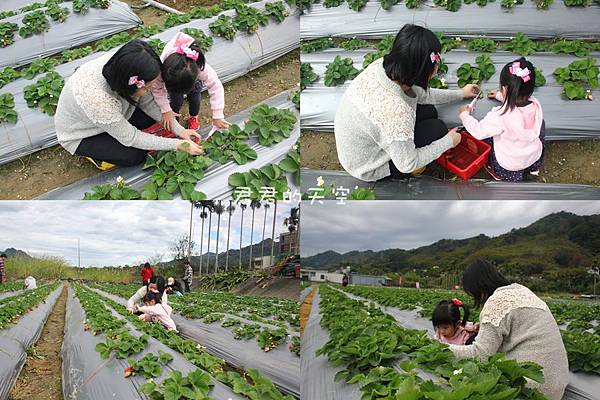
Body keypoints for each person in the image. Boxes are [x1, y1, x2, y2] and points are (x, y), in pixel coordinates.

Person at [334, 24, 479, 181]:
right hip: (368, 165)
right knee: (437, 129)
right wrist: (449, 142)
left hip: (361, 144)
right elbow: (407, 163)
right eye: (435, 64)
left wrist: (461, 93)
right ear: (420, 71)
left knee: (429, 111)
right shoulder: (396, 111)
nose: (437, 67)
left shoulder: (384, 66)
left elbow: (421, 95)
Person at [55, 39, 203, 170]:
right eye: (148, 86)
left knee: (165, 119)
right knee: (135, 155)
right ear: (133, 85)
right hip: (84, 133)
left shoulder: (126, 65)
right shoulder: (97, 99)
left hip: (115, 112)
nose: (152, 89)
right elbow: (132, 138)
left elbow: (149, 102)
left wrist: (180, 131)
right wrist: (178, 145)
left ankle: (117, 130)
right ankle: (97, 155)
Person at [449, 260, 568, 400]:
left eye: (473, 294)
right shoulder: (522, 291)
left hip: (531, 390)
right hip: (557, 384)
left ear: (480, 289)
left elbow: (480, 354)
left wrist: (442, 348)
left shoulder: (496, 302)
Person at [459, 57, 545, 182]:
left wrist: (464, 115)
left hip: (509, 165)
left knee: (487, 140)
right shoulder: (536, 105)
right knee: (541, 126)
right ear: (531, 90)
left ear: (504, 89)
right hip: (533, 156)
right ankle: (533, 169)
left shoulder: (500, 116)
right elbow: (516, 99)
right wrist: (501, 96)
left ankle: (497, 174)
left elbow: (478, 132)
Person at [153, 32, 230, 132]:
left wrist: (218, 115)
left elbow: (215, 85)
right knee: (176, 101)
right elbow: (157, 89)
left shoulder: (200, 68)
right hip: (176, 81)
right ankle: (173, 118)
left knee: (195, 98)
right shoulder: (163, 69)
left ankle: (193, 116)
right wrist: (166, 110)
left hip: (192, 80)